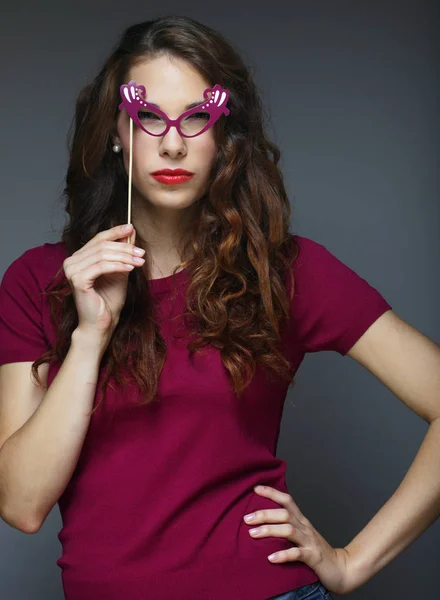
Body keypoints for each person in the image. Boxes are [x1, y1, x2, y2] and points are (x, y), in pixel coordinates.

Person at [2, 14, 435, 600]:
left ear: (224, 132)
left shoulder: (282, 269)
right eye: (148, 117)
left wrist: (351, 561)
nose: (173, 142)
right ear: (116, 133)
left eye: (197, 116)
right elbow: (22, 505)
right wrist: (89, 337)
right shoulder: (38, 281)